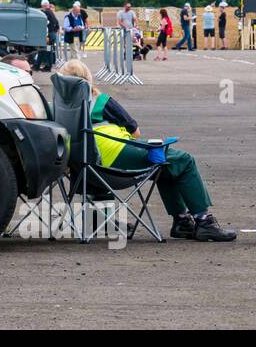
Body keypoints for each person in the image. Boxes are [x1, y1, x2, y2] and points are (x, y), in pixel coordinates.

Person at [57, 59, 236, 241]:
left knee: (166, 165)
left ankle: (182, 221)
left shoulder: (58, 108)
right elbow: (135, 132)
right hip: (114, 159)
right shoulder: (102, 102)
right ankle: (203, 220)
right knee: (182, 161)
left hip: (86, 171)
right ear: (89, 79)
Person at [37, 0, 59, 71]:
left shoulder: (45, 12)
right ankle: (46, 66)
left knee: (46, 51)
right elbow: (57, 23)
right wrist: (54, 31)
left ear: (43, 5)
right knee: (49, 50)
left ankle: (47, 67)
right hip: (52, 34)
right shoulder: (51, 12)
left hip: (48, 35)